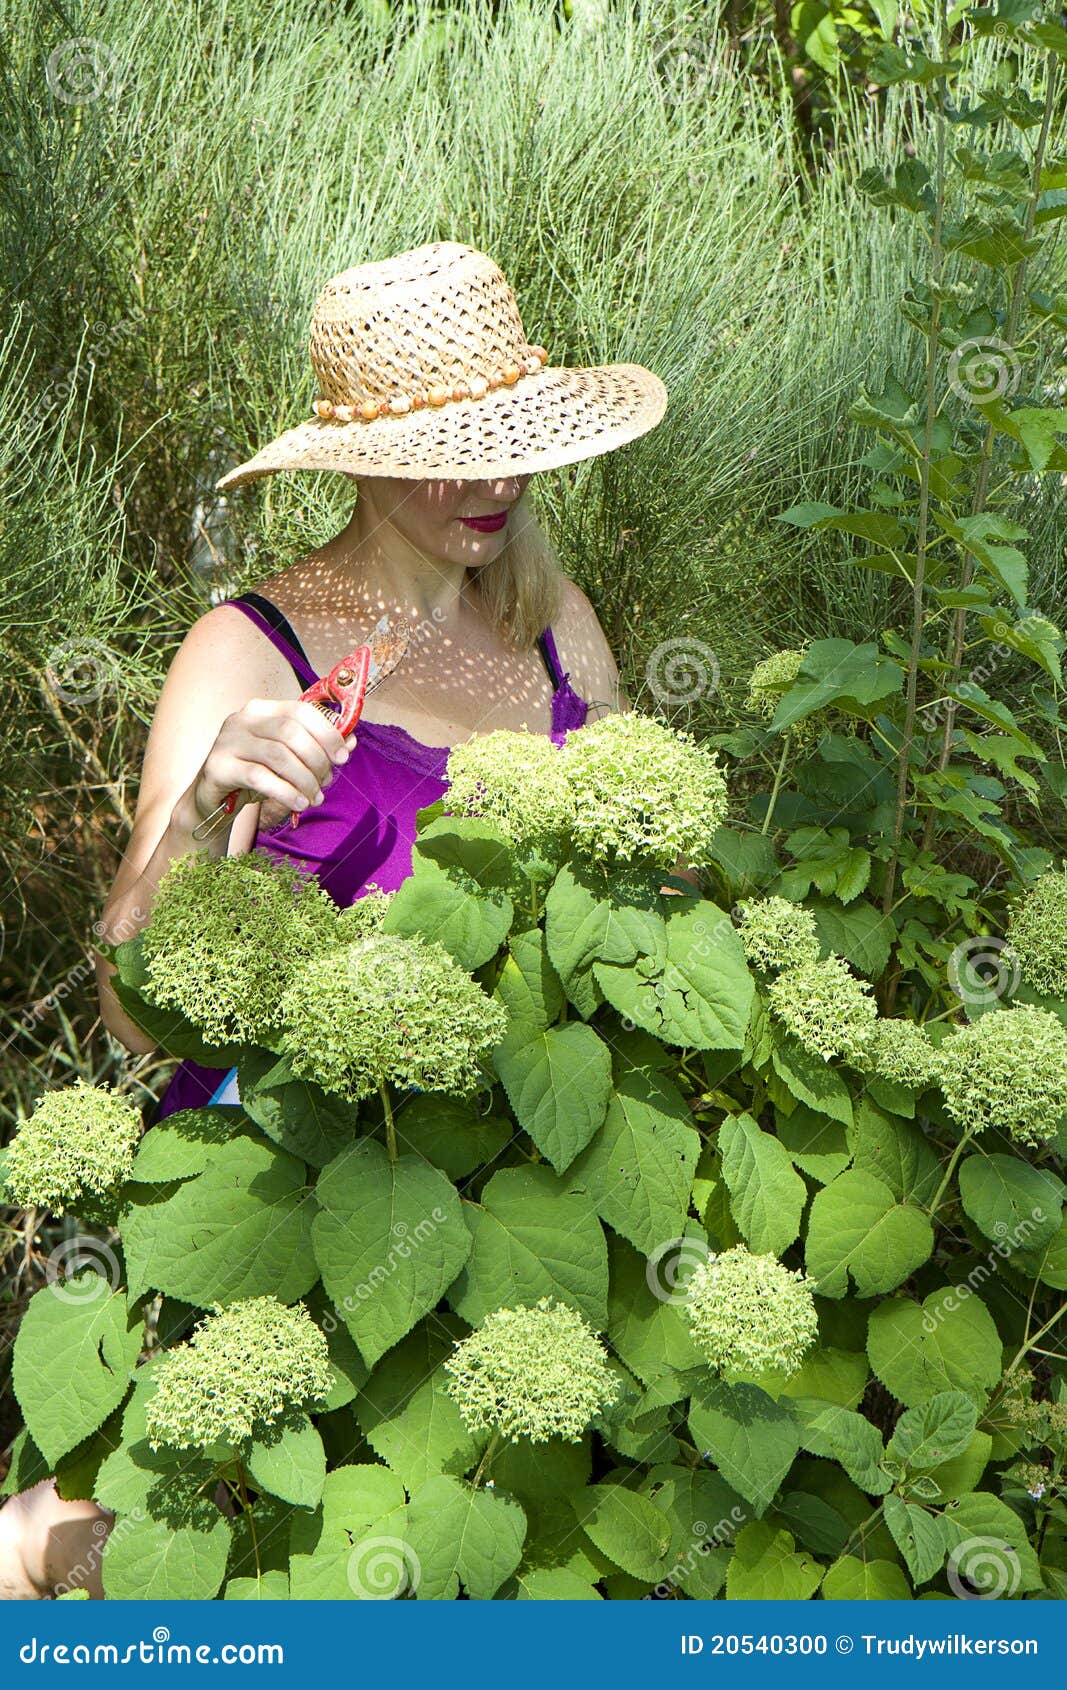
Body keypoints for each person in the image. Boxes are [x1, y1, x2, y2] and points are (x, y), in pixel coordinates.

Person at [0, 239, 668, 1596]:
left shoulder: (561, 632)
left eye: (505, 440)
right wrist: (200, 808)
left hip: (521, 1203)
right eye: (444, 448)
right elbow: (134, 1005)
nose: (488, 481)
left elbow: (651, 927)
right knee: (134, 1551)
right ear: (355, 456)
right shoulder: (249, 650)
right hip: (284, 1194)